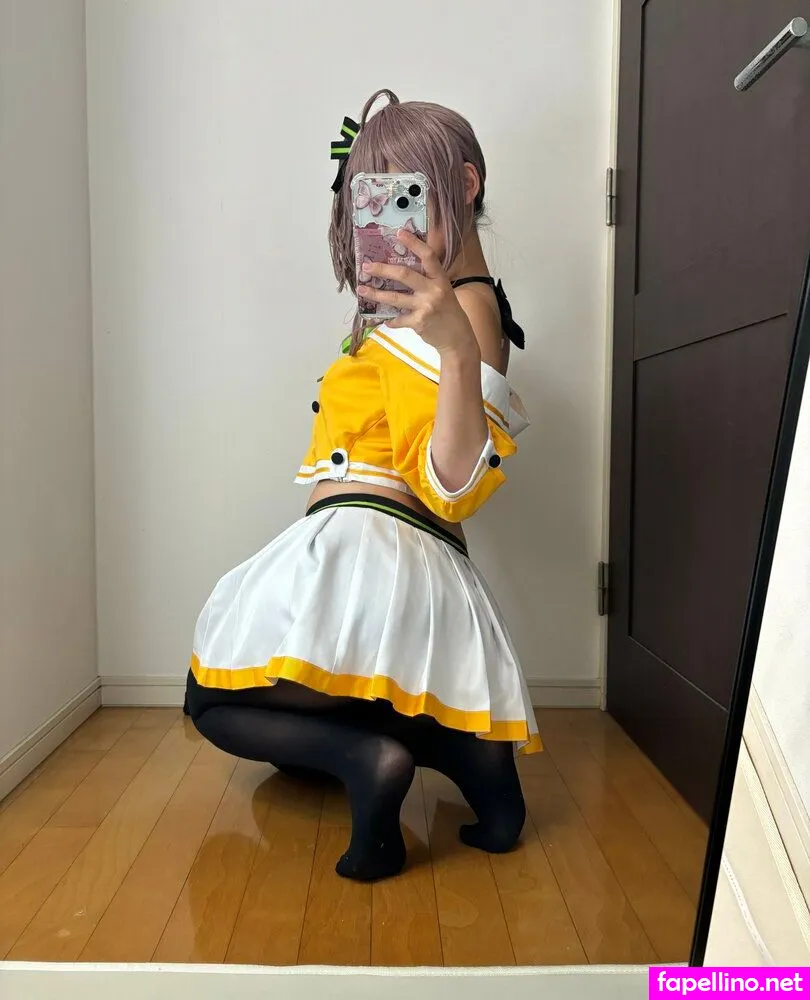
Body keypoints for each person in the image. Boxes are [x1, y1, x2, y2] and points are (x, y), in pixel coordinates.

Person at [185, 88, 542, 882]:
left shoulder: (461, 314)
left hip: (375, 547)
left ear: (465, 186)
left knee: (209, 696)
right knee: (305, 723)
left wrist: (456, 350)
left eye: (404, 193)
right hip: (401, 563)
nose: (385, 219)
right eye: (370, 200)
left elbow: (452, 485)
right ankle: (471, 760)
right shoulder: (447, 311)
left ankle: (371, 760)